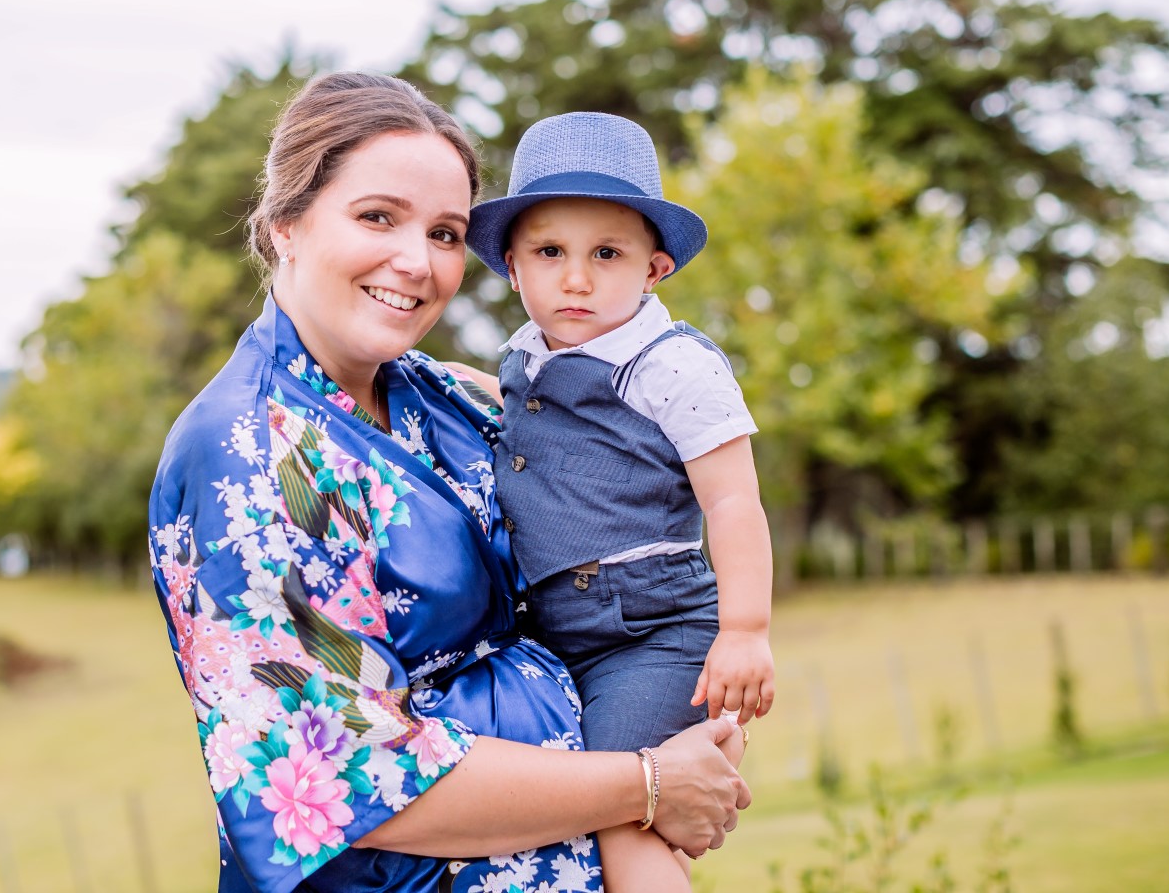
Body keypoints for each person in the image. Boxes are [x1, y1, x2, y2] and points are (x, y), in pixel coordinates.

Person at [148, 72, 750, 893]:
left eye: (443, 232)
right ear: (286, 222)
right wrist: (648, 784)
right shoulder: (249, 453)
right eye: (378, 217)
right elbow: (339, 779)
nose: (416, 261)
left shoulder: (455, 397)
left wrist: (695, 714)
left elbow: (615, 550)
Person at [465, 112, 777, 892]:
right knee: (576, 810)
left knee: (622, 806)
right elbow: (528, 433)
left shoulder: (671, 366)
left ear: (654, 270)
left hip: (650, 629)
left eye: (607, 253)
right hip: (554, 632)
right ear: (512, 268)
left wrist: (744, 630)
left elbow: (734, 500)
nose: (576, 278)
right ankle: (698, 777)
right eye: (549, 252)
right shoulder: (523, 361)